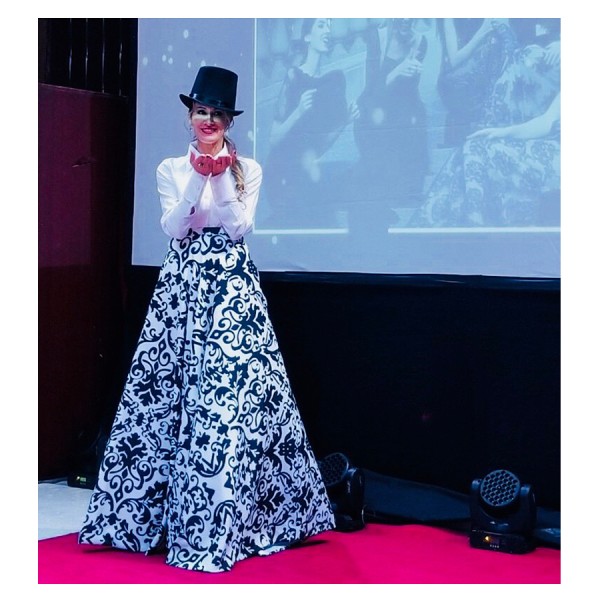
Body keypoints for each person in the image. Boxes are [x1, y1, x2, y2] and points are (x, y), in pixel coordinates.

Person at [78, 66, 335, 572]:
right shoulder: (170, 168)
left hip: (231, 291)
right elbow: (175, 228)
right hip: (181, 290)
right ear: (190, 115)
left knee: (226, 400)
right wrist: (199, 174)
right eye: (201, 111)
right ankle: (147, 521)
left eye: (217, 114)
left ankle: (230, 523)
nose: (208, 120)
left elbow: (238, 228)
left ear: (229, 121)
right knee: (164, 396)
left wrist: (221, 178)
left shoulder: (249, 168)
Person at [411, 39, 560, 227]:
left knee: (477, 152)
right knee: (474, 146)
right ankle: (469, 226)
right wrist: (503, 132)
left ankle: (469, 227)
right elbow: (547, 121)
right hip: (550, 149)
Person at [263, 18, 359, 227]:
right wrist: (298, 112)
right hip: (282, 172)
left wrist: (345, 122)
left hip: (305, 171)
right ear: (307, 36)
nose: (327, 31)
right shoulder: (293, 76)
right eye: (321, 25)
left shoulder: (333, 81)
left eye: (329, 26)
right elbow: (273, 139)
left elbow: (319, 148)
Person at [352, 18, 429, 229]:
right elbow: (371, 92)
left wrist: (411, 69)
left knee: (416, 114)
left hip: (402, 110)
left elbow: (410, 92)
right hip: (374, 108)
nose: (406, 18)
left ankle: (405, 183)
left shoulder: (420, 41)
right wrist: (398, 70)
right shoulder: (377, 38)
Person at [436, 18, 517, 146]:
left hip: (482, 82)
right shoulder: (449, 18)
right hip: (458, 85)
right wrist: (483, 30)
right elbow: (454, 59)